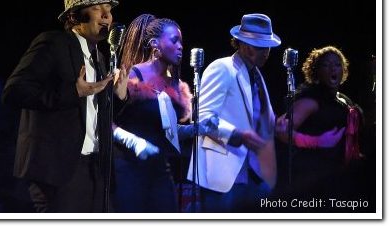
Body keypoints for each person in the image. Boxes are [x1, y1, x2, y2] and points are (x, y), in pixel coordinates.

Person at [2, 0, 129, 213]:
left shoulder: (99, 58)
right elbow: (14, 91)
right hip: (57, 170)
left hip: (95, 167)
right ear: (74, 17)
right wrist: (73, 92)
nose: (106, 16)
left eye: (109, 10)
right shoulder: (53, 43)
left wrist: (118, 97)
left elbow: (94, 113)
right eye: (96, 9)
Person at [112, 13, 217, 213]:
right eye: (174, 40)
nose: (180, 47)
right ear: (155, 44)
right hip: (130, 168)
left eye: (182, 42)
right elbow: (108, 121)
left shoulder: (174, 83)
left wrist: (198, 128)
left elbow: (167, 130)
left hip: (160, 168)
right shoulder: (134, 75)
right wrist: (133, 142)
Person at [187, 13, 281, 212]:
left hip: (253, 171)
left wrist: (277, 124)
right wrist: (236, 134)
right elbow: (202, 117)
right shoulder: (222, 68)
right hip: (223, 171)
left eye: (268, 48)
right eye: (262, 47)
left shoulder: (256, 74)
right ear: (246, 47)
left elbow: (255, 116)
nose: (267, 53)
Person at [275, 46, 364, 203]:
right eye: (326, 65)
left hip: (338, 174)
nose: (332, 69)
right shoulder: (310, 100)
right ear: (316, 71)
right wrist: (316, 141)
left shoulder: (343, 99)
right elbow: (283, 133)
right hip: (313, 176)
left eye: (337, 64)